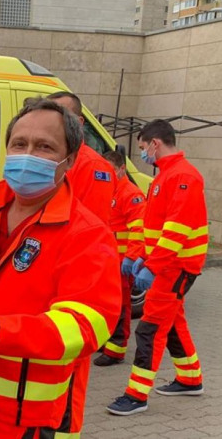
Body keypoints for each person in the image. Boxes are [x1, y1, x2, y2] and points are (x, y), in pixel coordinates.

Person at [0, 98, 121, 438]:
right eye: (20, 144)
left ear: (70, 160)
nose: (28, 154)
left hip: (35, 417)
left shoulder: (87, 234)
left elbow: (87, 324)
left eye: (44, 146)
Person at [106, 119, 208, 416]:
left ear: (155, 143)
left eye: (142, 148)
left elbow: (177, 230)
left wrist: (153, 265)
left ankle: (136, 395)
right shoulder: (169, 175)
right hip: (167, 266)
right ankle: (191, 378)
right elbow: (156, 226)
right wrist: (143, 257)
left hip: (175, 267)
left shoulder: (183, 176)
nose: (142, 154)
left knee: (149, 328)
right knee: (173, 321)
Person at [93, 150, 147, 367]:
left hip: (122, 262)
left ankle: (116, 349)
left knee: (121, 306)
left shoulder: (131, 194)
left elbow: (139, 229)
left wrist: (132, 258)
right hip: (107, 260)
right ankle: (106, 340)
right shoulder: (108, 191)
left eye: (111, 170)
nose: (107, 174)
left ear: (122, 168)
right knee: (104, 304)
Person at [47, 92, 116, 223]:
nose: (52, 122)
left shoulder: (93, 165)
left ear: (79, 122)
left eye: (61, 116)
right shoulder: (48, 156)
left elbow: (92, 224)